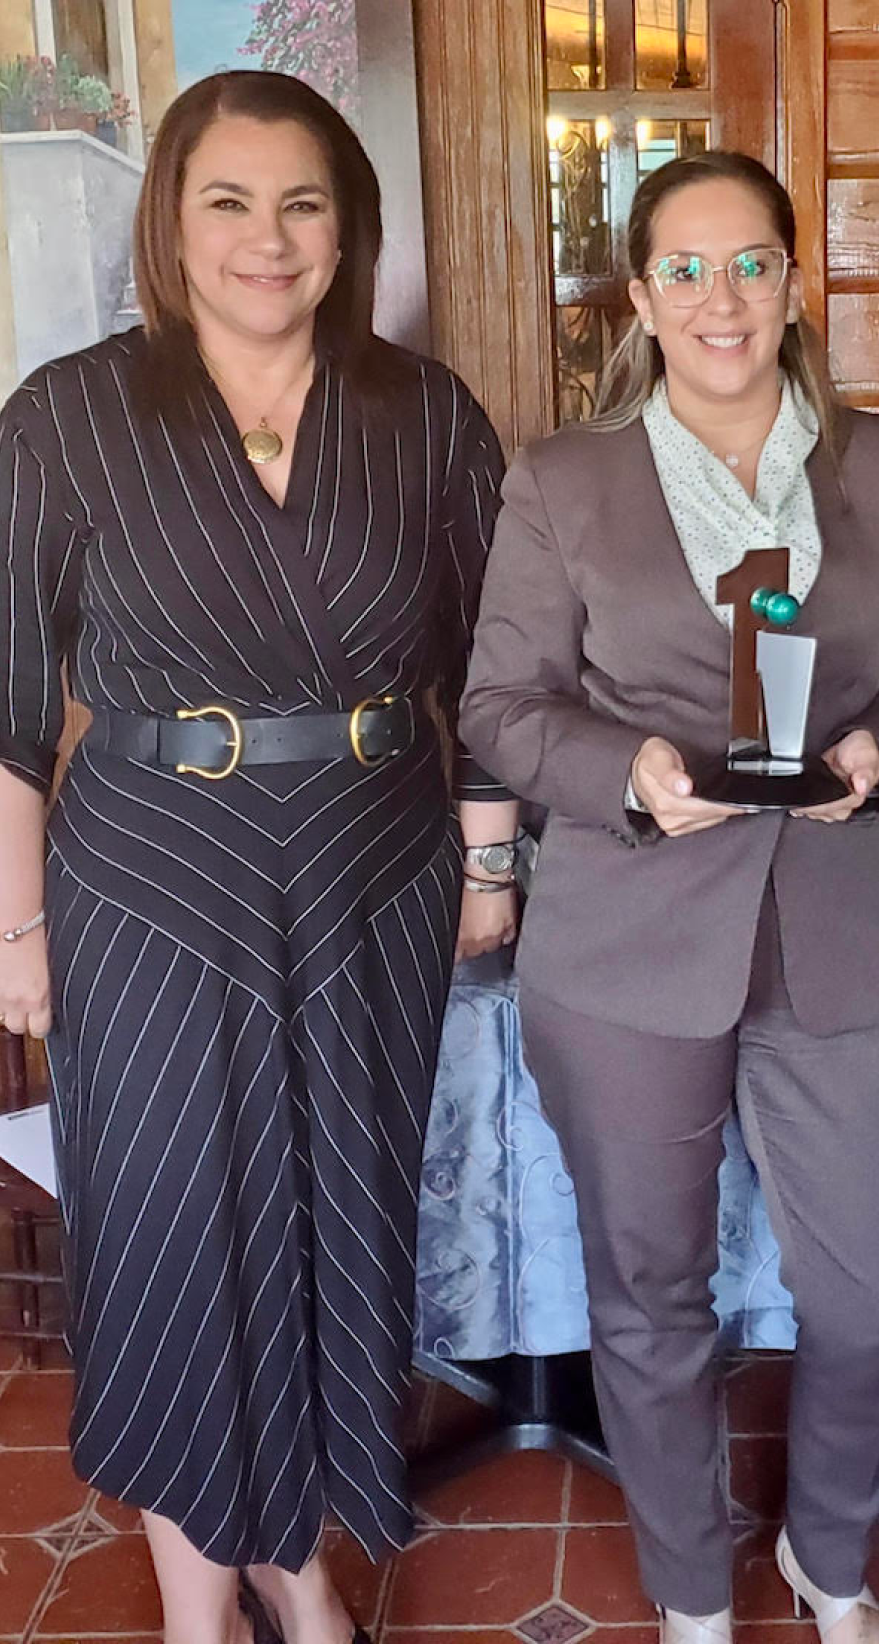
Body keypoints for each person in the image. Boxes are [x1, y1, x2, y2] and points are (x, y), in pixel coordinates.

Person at [0, 70, 518, 1644]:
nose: (267, 237)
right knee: (173, 1252)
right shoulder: (66, 416)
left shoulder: (426, 415)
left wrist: (490, 867)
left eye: (302, 202)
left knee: (331, 1238)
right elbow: (11, 710)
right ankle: (203, 1612)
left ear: (347, 225)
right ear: (172, 222)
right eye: (227, 200)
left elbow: (496, 676)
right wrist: (15, 933)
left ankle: (294, 1567)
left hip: (375, 874)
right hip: (149, 885)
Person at [460, 151, 879, 1644]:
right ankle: (694, 1592)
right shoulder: (563, 480)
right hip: (628, 946)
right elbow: (500, 708)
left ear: (794, 278)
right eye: (684, 269)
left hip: (835, 933)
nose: (721, 297)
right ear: (641, 294)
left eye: (750, 262)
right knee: (649, 1293)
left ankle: (829, 1558)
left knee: (875, 1290)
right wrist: (620, 766)